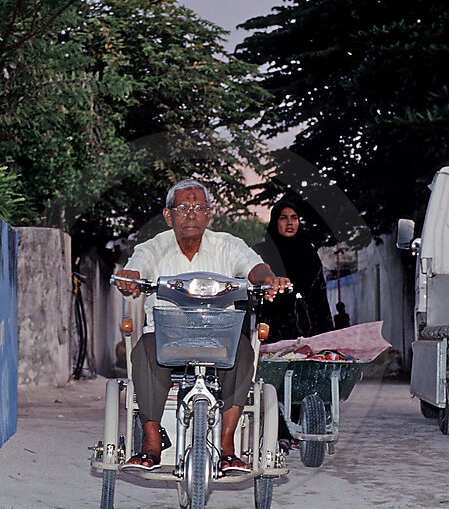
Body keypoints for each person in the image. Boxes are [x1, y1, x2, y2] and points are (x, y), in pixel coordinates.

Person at [113, 179, 290, 474]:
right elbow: (138, 268)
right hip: (166, 335)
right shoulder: (153, 247)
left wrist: (268, 278)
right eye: (182, 207)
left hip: (220, 335)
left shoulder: (228, 245)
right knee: (143, 349)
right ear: (169, 215)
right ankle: (152, 443)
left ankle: (227, 445)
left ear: (209, 214)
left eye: (199, 207)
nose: (191, 214)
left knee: (244, 350)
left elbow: (254, 267)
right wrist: (130, 276)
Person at [253, 200, 335, 342]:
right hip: (272, 331)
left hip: (309, 330)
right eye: (283, 218)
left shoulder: (309, 255)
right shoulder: (261, 253)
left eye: (294, 218)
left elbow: (320, 297)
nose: (290, 223)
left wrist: (327, 335)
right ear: (275, 222)